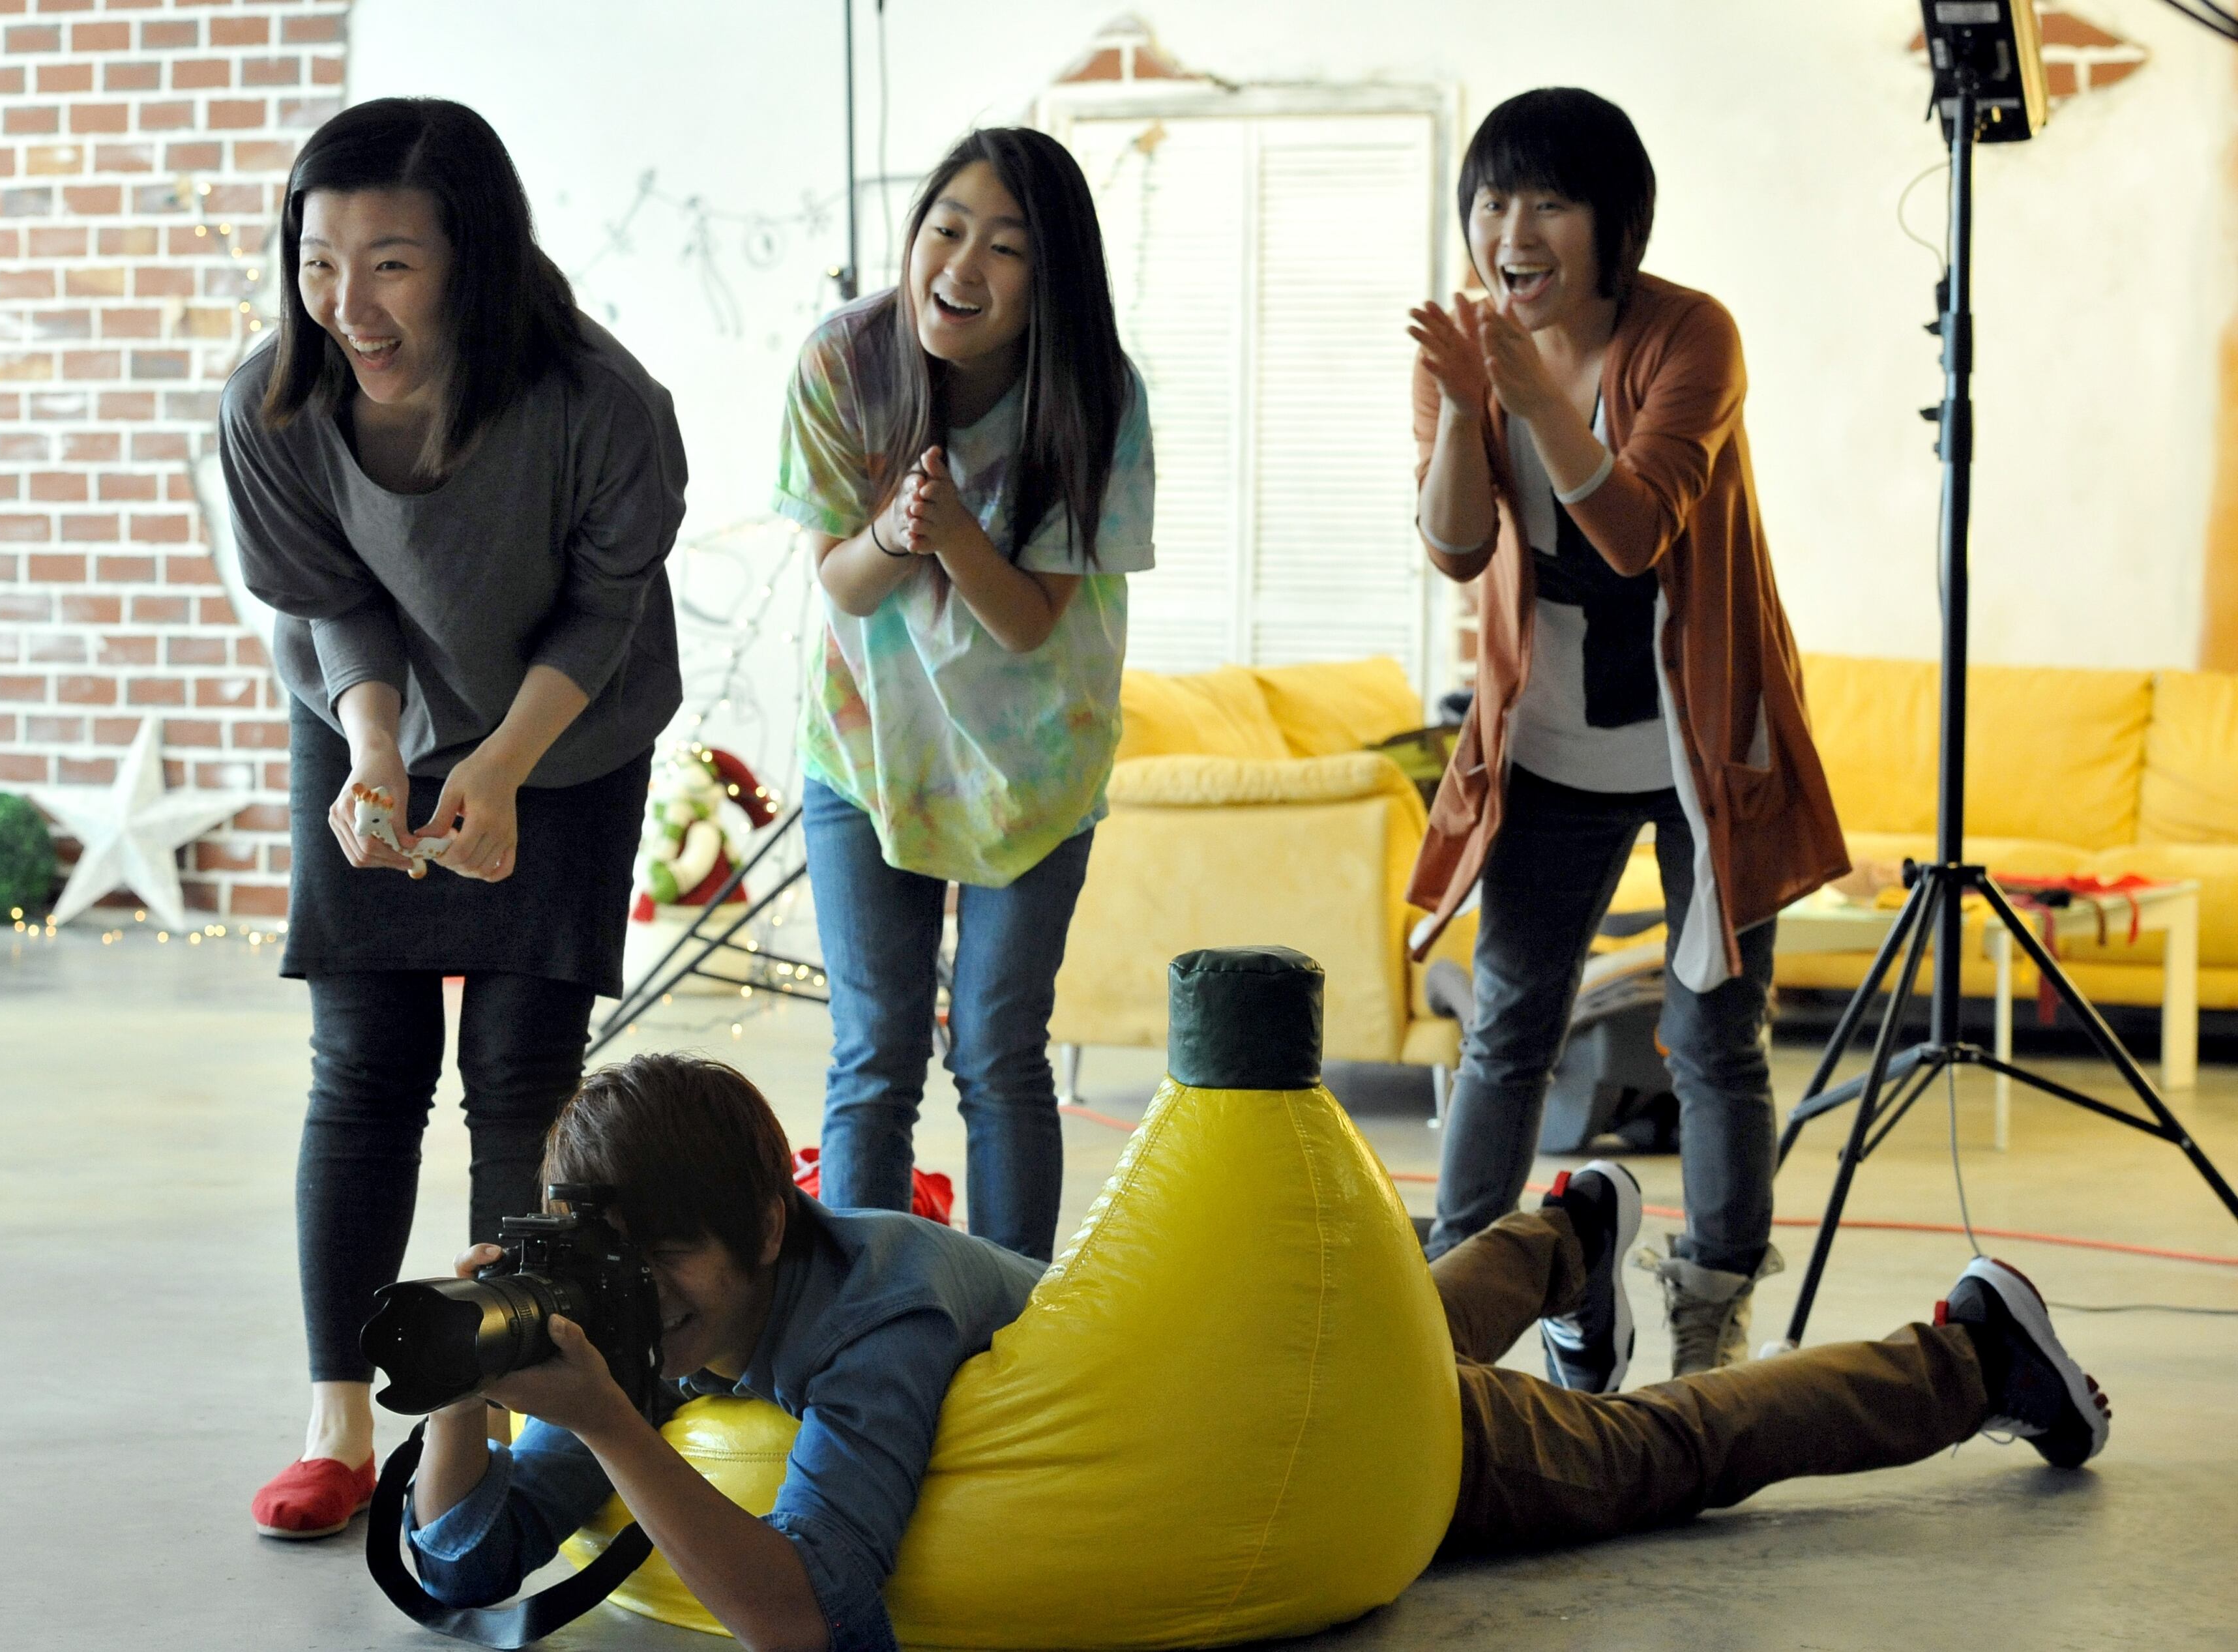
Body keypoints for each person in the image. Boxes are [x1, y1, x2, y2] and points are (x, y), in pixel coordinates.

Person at [397, 1058, 2108, 1652]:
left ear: (765, 1227)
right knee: (1386, 1328)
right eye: (612, 1268)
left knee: (1644, 1446)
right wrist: (479, 1398)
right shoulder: (674, 1313)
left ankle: (1962, 1347)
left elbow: (808, 1616)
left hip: (1279, 1451)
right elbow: (462, 1562)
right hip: (1240, 1378)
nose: (645, 1298)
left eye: (663, 1262)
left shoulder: (871, 1313)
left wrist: (615, 1419)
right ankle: (1570, 1225)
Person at [221, 96, 687, 1538]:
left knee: (521, 1063)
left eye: (393, 266)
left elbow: (605, 606)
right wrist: (381, 746)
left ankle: (482, 1411)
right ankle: (339, 1415)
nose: (346, 305)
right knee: (364, 1062)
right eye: (318, 262)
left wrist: (495, 770)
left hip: (569, 731)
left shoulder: (603, 405)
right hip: (368, 723)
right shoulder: (273, 406)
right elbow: (327, 599)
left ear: (473, 259)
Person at [1405, 87, 1848, 1378]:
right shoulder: (1473, 345)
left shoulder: (1691, 336)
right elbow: (1452, 547)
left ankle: (1711, 1308)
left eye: (1548, 201)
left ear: (1613, 224)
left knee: (1715, 1035)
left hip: (1704, 750)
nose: (1511, 229)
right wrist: (1456, 407)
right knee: (1506, 1027)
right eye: (1492, 201)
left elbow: (1637, 526)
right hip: (1543, 753)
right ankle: (1463, 1309)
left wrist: (1534, 399)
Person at [774, 128, 1155, 1263]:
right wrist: (897, 532)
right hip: (870, 745)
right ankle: (859, 1321)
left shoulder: (1095, 395)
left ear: (1055, 279)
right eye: (945, 229)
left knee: (996, 1047)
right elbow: (842, 581)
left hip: (1035, 756)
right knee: (873, 1053)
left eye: (1006, 248)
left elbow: (1032, 618)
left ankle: (1016, 1320)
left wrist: (948, 534)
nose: (962, 266)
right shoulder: (846, 362)